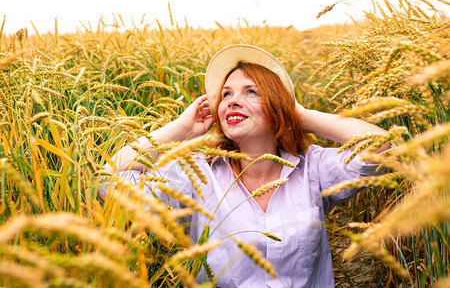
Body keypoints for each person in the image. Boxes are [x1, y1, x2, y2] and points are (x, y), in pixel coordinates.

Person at [102, 45, 390, 287]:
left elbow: (381, 145)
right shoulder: (199, 175)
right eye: (226, 95)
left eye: (250, 92)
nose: (232, 102)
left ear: (276, 105)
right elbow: (107, 180)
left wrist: (300, 115)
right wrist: (181, 130)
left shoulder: (311, 168)